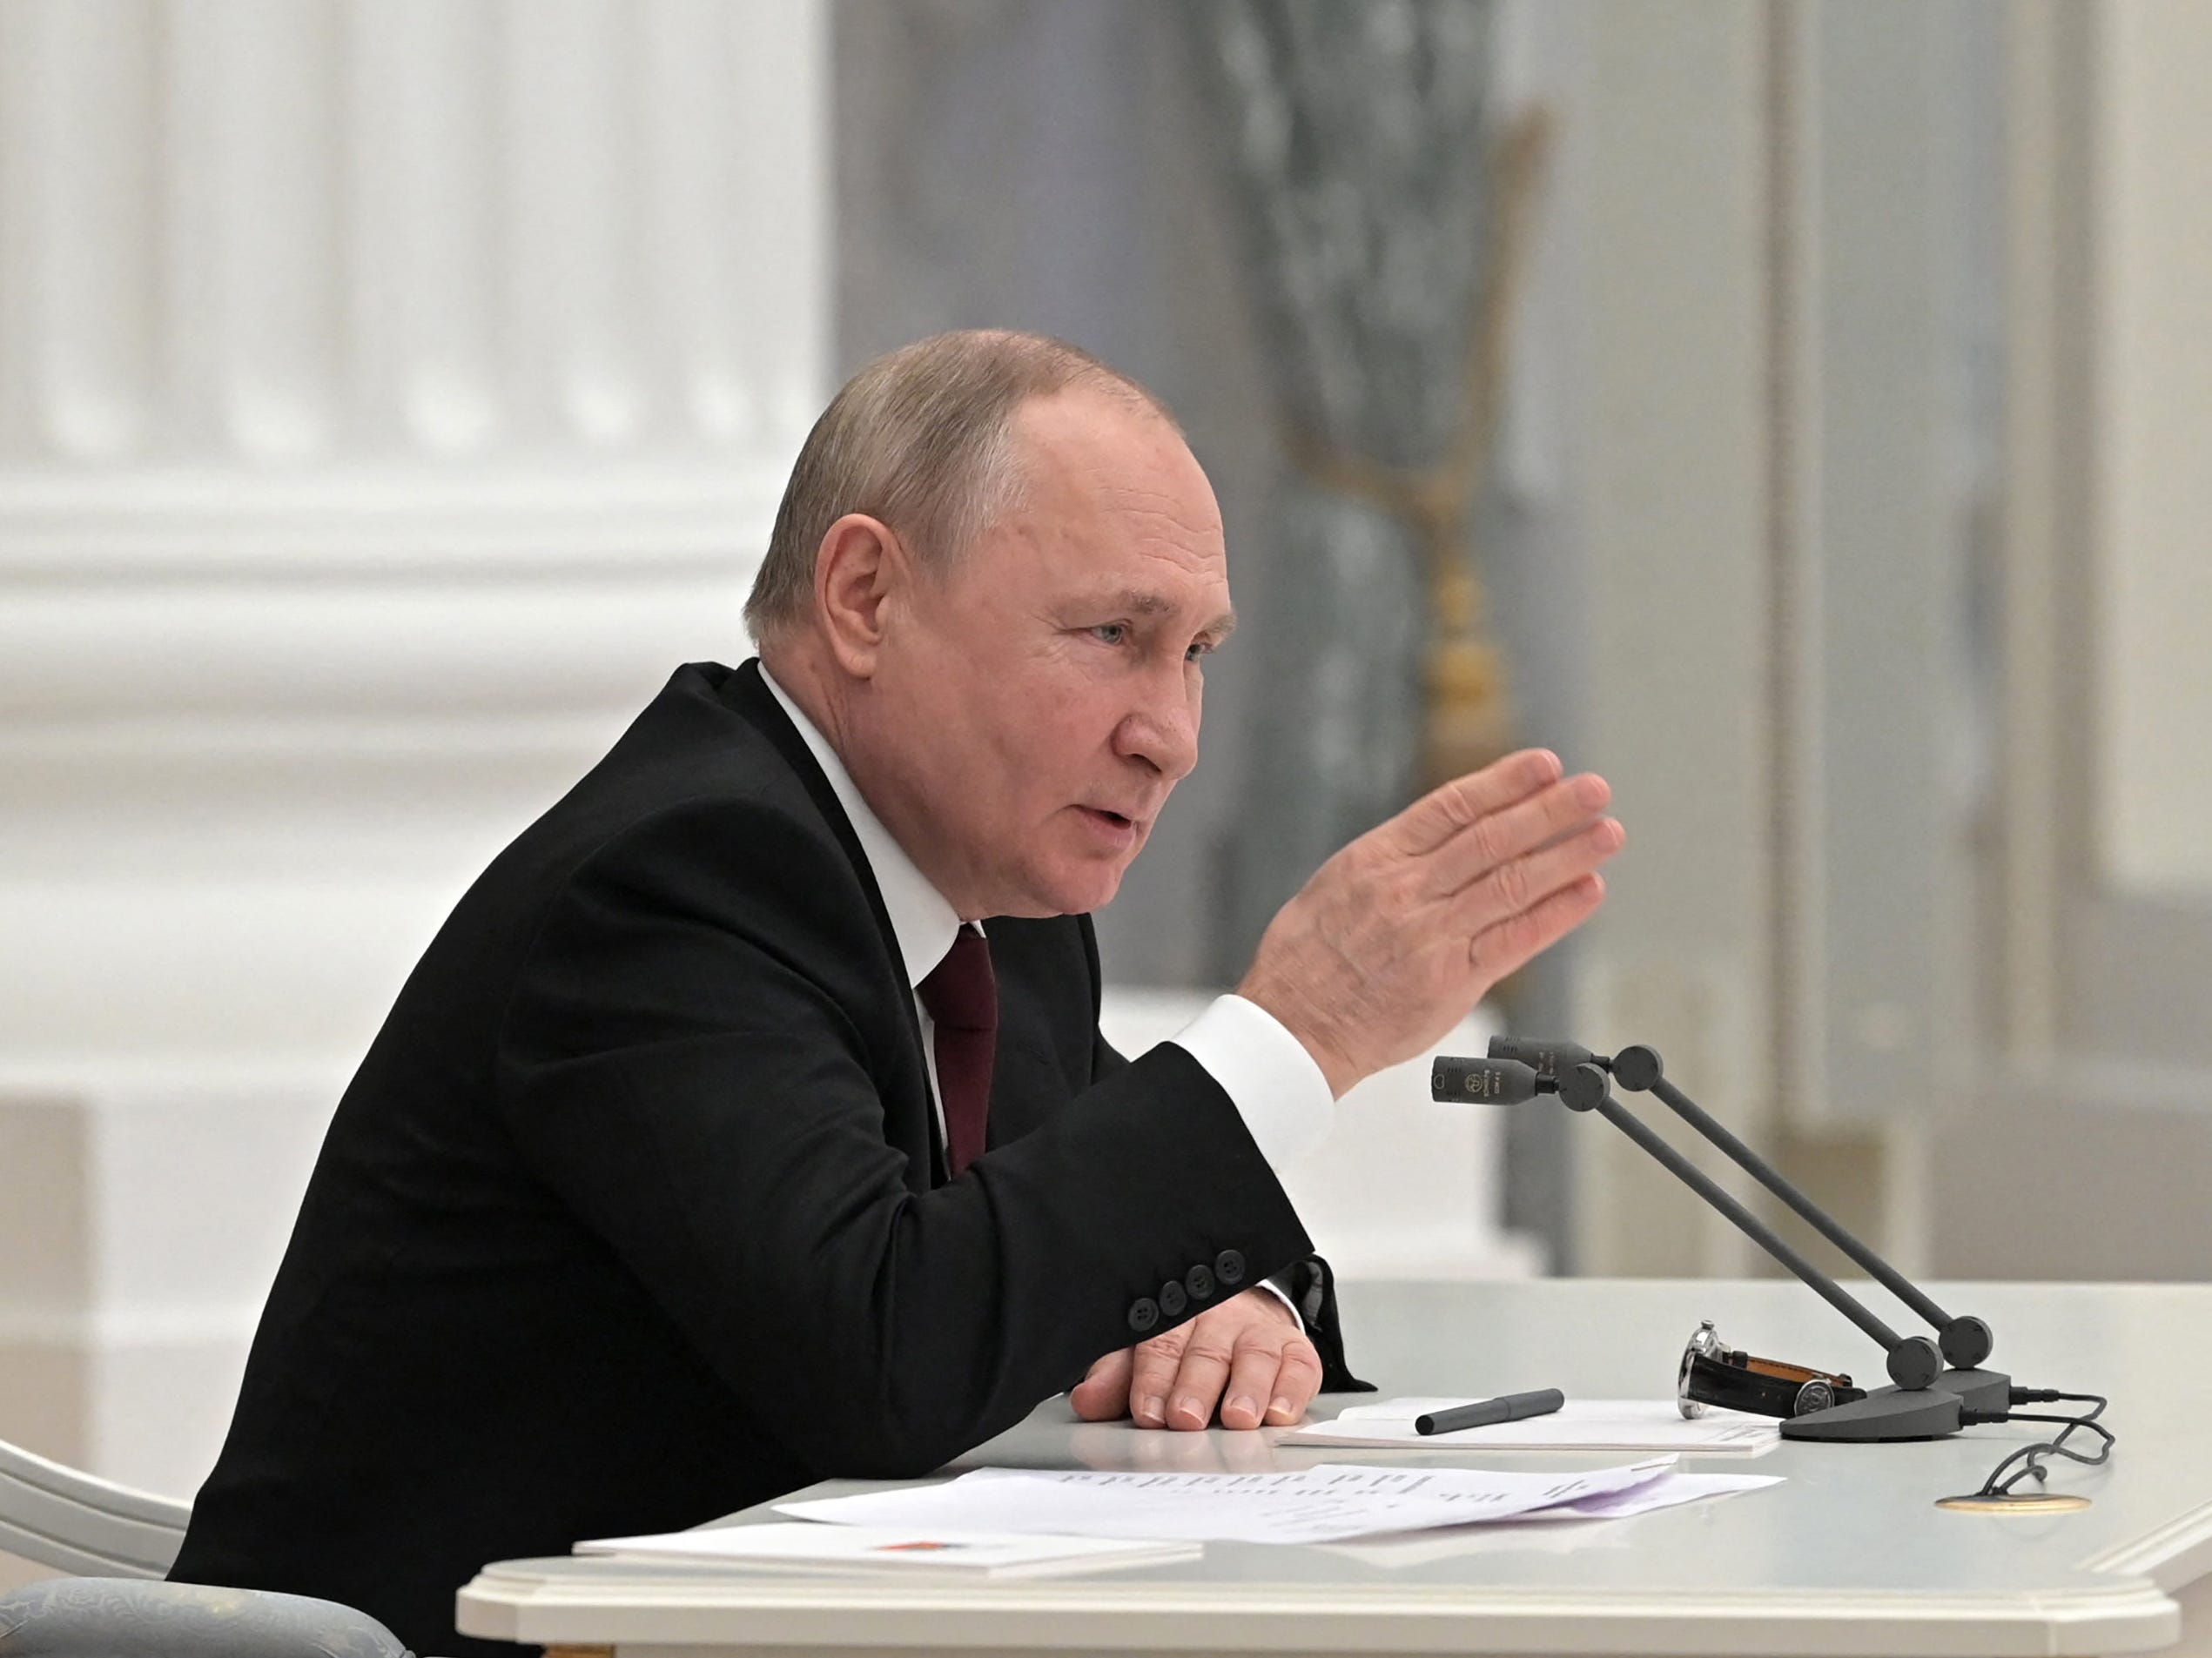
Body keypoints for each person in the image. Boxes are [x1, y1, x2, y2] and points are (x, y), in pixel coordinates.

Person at [169, 331, 1622, 1655]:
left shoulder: (996, 891)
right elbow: (888, 1354)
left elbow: (1091, 1221)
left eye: (1195, 656)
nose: (1166, 735)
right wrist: (1296, 1031)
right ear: (864, 595)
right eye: (1110, 635)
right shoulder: (679, 881)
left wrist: (1241, 1300)